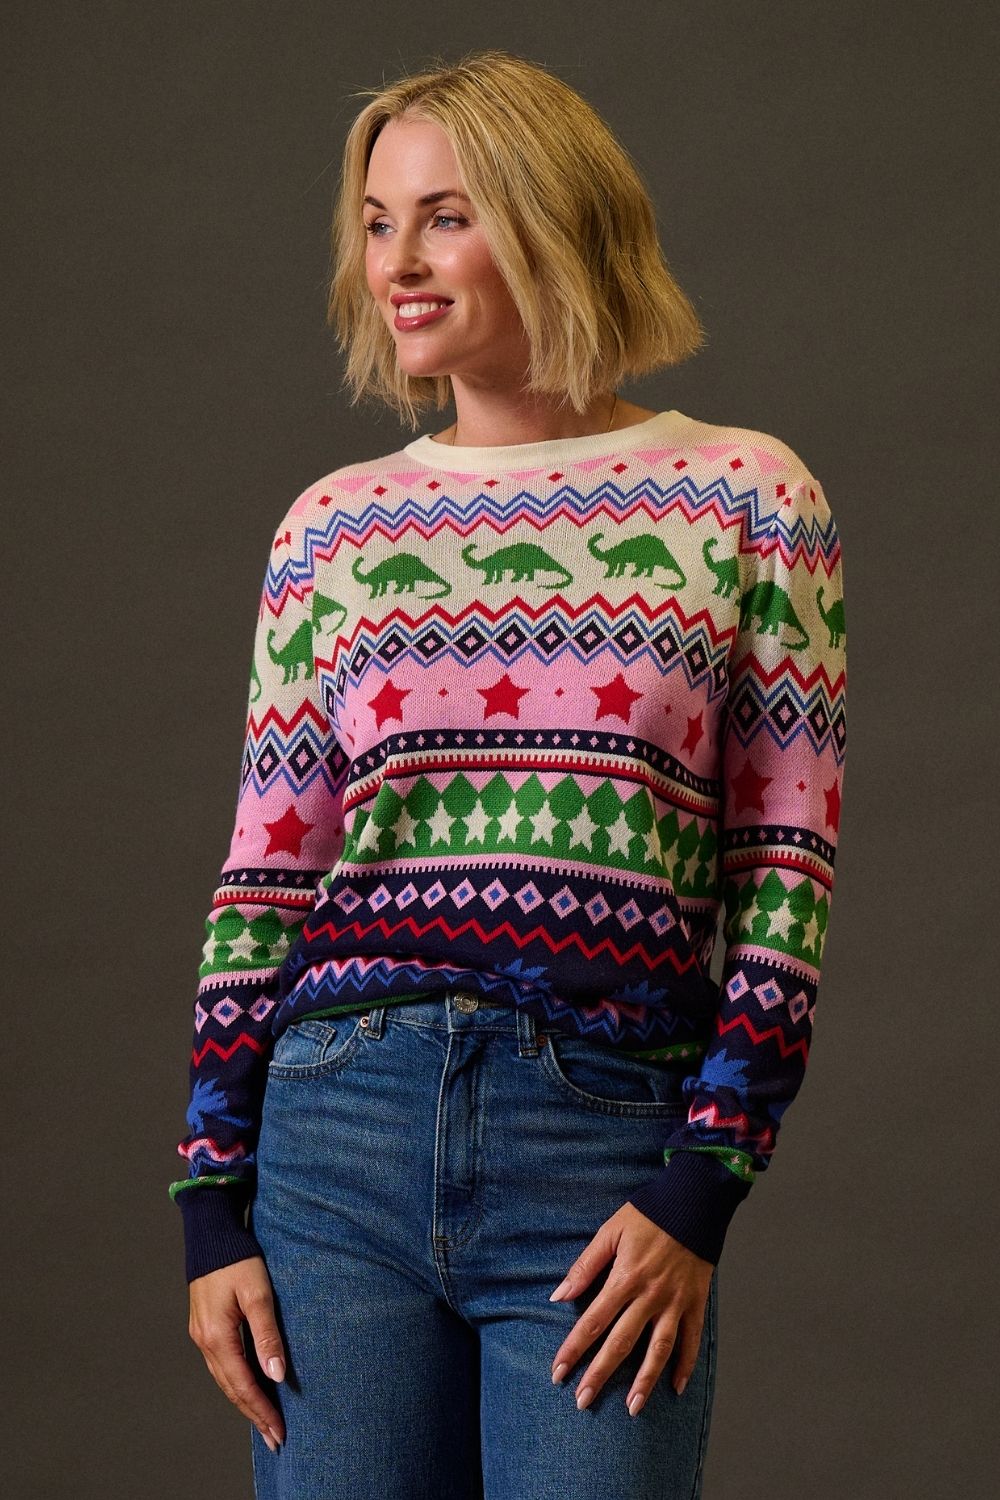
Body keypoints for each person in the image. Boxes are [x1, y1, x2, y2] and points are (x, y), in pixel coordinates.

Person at [170, 47, 848, 1500]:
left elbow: (783, 876)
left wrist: (704, 1181)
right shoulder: (333, 528)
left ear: (553, 224)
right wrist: (210, 1197)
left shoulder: (747, 499)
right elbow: (266, 876)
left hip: (601, 1142)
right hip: (335, 1139)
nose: (397, 264)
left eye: (446, 217)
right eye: (377, 222)